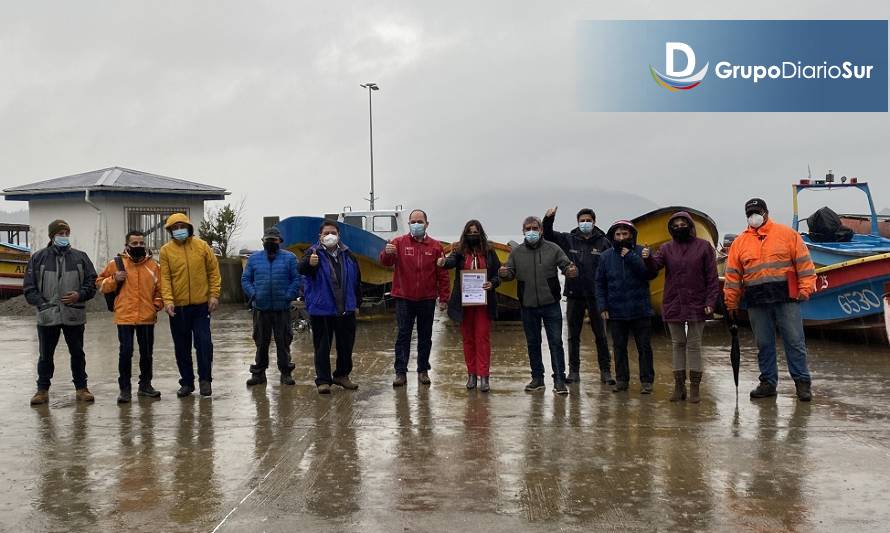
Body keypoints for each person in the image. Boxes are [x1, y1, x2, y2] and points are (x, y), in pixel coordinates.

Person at [724, 198, 816, 401]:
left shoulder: (787, 235)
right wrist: (731, 303)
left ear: (766, 212)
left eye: (757, 212)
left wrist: (805, 289)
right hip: (756, 300)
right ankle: (768, 383)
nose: (754, 217)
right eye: (750, 214)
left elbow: (805, 265)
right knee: (764, 344)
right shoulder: (739, 243)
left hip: (786, 298)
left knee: (794, 342)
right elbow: (732, 276)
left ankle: (802, 383)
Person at [645, 212, 719, 403]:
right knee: (678, 345)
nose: (679, 227)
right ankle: (679, 387)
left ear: (690, 225)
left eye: (682, 223)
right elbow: (654, 269)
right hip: (673, 302)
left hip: (698, 303)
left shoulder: (704, 247)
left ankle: (695, 388)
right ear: (671, 229)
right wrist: (647, 258)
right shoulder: (666, 248)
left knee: (694, 345)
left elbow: (712, 278)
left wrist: (711, 302)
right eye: (675, 224)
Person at [499, 216, 578, 394]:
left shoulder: (553, 248)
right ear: (523, 231)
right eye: (528, 229)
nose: (531, 231)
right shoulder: (517, 252)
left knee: (556, 342)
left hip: (551, 304)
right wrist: (503, 273)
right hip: (527, 305)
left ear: (541, 230)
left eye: (535, 228)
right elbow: (510, 273)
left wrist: (571, 271)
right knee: (533, 343)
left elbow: (566, 266)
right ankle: (537, 378)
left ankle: (559, 380)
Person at [24, 219, 98, 405]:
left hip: (74, 314)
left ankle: (82, 388)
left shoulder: (81, 257)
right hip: (47, 316)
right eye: (60, 234)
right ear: (52, 236)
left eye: (66, 233)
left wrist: (79, 295)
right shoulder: (38, 258)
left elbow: (92, 283)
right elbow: (29, 287)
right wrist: (43, 304)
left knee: (78, 353)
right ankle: (42, 390)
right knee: (45, 355)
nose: (64, 237)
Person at [543, 206, 614, 385]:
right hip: (574, 293)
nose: (585, 223)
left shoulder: (604, 242)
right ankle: (574, 371)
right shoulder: (569, 239)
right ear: (577, 222)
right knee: (573, 335)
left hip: (596, 295)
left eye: (588, 220)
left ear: (594, 222)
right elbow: (548, 235)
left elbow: (610, 269)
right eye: (582, 221)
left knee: (601, 335)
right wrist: (548, 218)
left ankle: (605, 371)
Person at [380, 209, 450, 387]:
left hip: (427, 298)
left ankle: (423, 370)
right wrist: (387, 252)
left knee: (425, 336)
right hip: (404, 298)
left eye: (420, 221)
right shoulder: (399, 242)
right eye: (413, 221)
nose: (416, 224)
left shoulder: (435, 246)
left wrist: (444, 298)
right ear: (409, 223)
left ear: (427, 224)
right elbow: (385, 263)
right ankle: (400, 372)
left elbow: (442, 274)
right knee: (403, 335)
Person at [96, 230, 164, 403]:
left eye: (141, 243)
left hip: (147, 317)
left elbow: (161, 291)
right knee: (125, 353)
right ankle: (125, 389)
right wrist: (114, 279)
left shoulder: (154, 266)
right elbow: (100, 285)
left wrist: (156, 305)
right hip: (124, 316)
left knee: (147, 354)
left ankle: (145, 386)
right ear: (127, 245)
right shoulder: (115, 263)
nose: (139, 246)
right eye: (135, 243)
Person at [159, 213, 221, 398]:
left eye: (181, 226)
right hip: (178, 308)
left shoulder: (202, 246)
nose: (179, 230)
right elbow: (165, 278)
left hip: (201, 306)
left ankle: (205, 381)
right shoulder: (166, 251)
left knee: (203, 343)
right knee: (181, 347)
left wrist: (214, 295)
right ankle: (186, 382)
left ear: (189, 227)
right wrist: (168, 301)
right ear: (170, 231)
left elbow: (213, 272)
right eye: (175, 228)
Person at [299, 221, 363, 394]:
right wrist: (309, 264)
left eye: (333, 232)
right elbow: (301, 269)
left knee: (346, 345)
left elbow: (357, 280)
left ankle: (342, 375)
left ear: (338, 235)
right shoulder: (313, 253)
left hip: (345, 308)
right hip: (322, 309)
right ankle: (323, 380)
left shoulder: (348, 254)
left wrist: (358, 302)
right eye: (326, 233)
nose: (330, 236)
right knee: (322, 347)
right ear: (320, 236)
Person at [595, 220, 658, 394]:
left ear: (631, 235)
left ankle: (647, 381)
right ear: (613, 237)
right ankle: (622, 380)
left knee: (644, 347)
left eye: (625, 234)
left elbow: (649, 274)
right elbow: (600, 284)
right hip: (616, 310)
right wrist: (602, 306)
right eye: (618, 234)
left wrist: (631, 256)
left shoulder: (641, 252)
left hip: (640, 309)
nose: (621, 237)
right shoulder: (605, 256)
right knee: (619, 347)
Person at [439, 219, 501, 392]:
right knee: (468, 339)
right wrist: (443, 262)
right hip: (464, 303)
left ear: (480, 233)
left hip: (483, 303)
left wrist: (492, 283)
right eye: (470, 232)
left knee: (483, 339)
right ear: (465, 233)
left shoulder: (489, 251)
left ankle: (484, 376)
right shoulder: (459, 251)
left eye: (476, 232)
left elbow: (497, 274)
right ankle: (471, 374)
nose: (473, 235)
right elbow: (451, 262)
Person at [241, 227, 300, 387]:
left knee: (284, 341)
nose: (271, 242)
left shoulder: (290, 258)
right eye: (268, 240)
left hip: (282, 309)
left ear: (279, 241)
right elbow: (245, 279)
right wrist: (254, 294)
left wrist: (289, 296)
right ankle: (259, 373)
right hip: (261, 308)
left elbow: (296, 279)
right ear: (263, 241)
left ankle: (286, 373)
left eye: (274, 240)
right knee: (261, 342)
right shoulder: (254, 259)